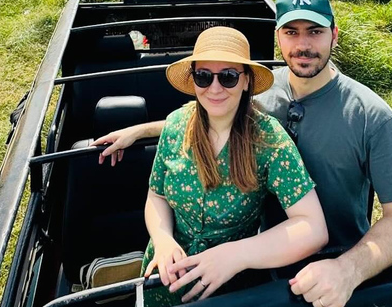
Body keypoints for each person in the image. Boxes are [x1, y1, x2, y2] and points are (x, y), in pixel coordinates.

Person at [92, 0, 392, 307]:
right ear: (278, 37)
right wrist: (140, 130)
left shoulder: (370, 116)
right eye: (291, 32)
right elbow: (209, 117)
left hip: (332, 272)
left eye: (315, 31)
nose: (303, 44)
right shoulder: (264, 92)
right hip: (259, 265)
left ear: (334, 35)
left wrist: (348, 270)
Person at [140, 26, 328, 306]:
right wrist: (163, 238)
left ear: (245, 81)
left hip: (232, 289)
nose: (214, 88)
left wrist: (236, 254)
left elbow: (313, 227)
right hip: (163, 279)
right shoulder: (176, 125)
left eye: (228, 77)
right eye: (203, 77)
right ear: (193, 80)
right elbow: (156, 196)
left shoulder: (268, 139)